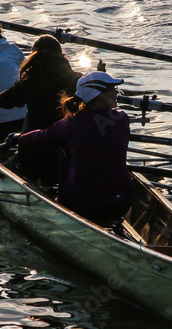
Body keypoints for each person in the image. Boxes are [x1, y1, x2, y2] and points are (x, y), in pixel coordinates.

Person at [17, 71, 132, 225]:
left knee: (64, 150)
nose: (117, 93)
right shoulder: (122, 118)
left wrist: (18, 138)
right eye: (113, 89)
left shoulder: (68, 124)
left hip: (80, 205)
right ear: (101, 96)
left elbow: (40, 137)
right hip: (120, 205)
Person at [0, 35, 82, 133]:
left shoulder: (29, 81)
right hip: (67, 135)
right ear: (61, 54)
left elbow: (5, 101)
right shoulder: (77, 79)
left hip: (38, 137)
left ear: (33, 56)